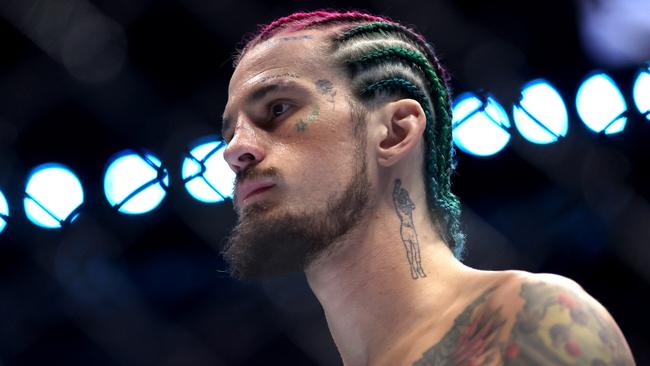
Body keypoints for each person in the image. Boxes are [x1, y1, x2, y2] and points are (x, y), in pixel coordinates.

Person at [219, 10, 636, 366]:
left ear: (394, 131)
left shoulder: (525, 318)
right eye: (230, 132)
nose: (235, 150)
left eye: (277, 108)